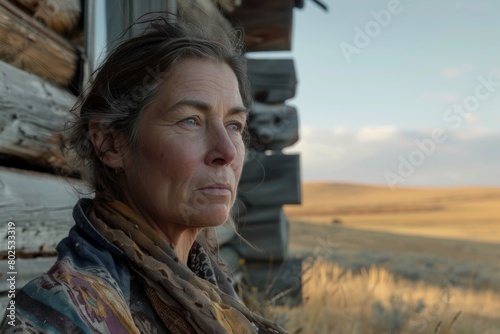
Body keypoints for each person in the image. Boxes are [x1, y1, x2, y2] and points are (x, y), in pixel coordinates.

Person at [1, 15, 287, 334]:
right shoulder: (56, 319)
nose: (228, 152)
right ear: (110, 144)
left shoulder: (208, 291)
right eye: (190, 120)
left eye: (234, 125)